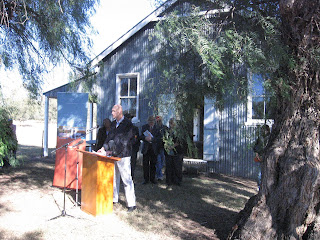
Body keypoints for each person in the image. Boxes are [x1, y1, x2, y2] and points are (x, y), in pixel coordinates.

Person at [98, 105, 136, 212]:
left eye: (114, 111)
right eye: (112, 111)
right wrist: (103, 148)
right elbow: (109, 138)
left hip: (123, 155)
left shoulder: (128, 124)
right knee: (114, 178)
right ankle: (114, 199)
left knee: (126, 179)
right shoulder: (114, 124)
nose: (112, 113)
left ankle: (131, 204)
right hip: (113, 155)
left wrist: (113, 151)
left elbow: (125, 141)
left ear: (120, 112)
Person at [164, 118, 183, 188]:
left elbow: (179, 141)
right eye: (170, 123)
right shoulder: (167, 131)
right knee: (169, 166)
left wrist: (172, 146)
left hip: (177, 151)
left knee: (177, 166)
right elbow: (164, 139)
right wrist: (167, 145)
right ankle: (169, 180)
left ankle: (177, 180)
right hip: (169, 152)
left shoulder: (178, 131)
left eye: (172, 123)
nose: (171, 125)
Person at [140, 115, 160, 184]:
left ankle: (152, 178)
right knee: (145, 164)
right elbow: (141, 136)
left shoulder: (157, 128)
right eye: (150, 121)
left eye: (152, 121)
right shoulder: (144, 127)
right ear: (148, 121)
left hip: (154, 148)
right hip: (146, 148)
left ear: (154, 122)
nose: (151, 123)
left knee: (153, 164)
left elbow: (159, 138)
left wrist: (153, 139)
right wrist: (145, 138)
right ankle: (146, 179)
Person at [253, 124, 270, 189]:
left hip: (267, 158)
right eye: (263, 130)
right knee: (259, 175)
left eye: (265, 130)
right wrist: (257, 154)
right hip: (259, 158)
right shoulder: (260, 138)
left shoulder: (270, 137)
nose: (264, 131)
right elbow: (255, 147)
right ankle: (259, 187)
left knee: (267, 174)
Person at [124, 113, 140, 180]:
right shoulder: (122, 128)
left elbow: (137, 138)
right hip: (125, 149)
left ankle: (131, 178)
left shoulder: (135, 128)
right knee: (125, 164)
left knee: (132, 164)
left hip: (133, 148)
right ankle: (125, 178)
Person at [155, 116, 168, 181]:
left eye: (159, 120)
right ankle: (159, 175)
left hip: (163, 147)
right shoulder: (155, 128)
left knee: (162, 162)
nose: (158, 122)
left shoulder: (165, 128)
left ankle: (158, 173)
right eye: (157, 121)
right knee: (158, 161)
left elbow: (167, 136)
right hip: (157, 147)